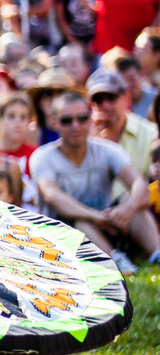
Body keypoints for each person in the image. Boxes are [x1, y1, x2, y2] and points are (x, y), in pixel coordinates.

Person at [31, 91, 158, 274]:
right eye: (67, 120)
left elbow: (138, 183)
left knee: (131, 199)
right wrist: (95, 216)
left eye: (82, 118)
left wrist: (127, 209)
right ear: (54, 122)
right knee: (79, 220)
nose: (76, 126)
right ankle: (115, 261)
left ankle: (156, 253)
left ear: (91, 119)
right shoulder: (43, 156)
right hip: (60, 236)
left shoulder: (108, 150)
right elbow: (52, 196)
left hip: (106, 225)